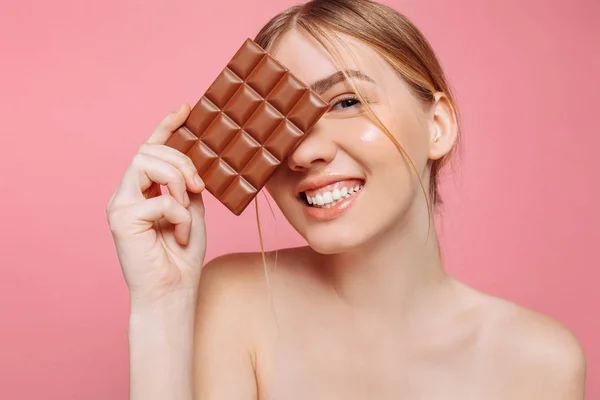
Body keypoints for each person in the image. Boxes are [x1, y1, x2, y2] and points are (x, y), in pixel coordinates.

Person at [106, 0, 586, 398]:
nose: (304, 151)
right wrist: (162, 306)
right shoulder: (236, 304)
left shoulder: (541, 362)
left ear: (437, 127)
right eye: (276, 122)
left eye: (345, 102)